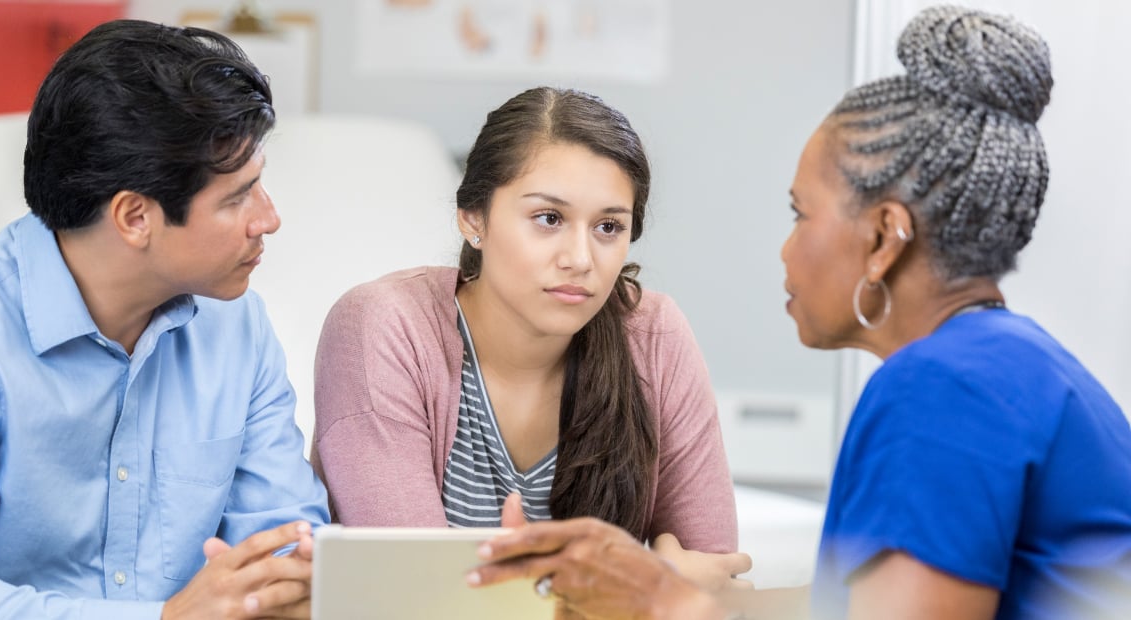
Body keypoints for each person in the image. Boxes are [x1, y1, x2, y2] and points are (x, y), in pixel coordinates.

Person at [467, 6, 1131, 619]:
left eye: (800, 214)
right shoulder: (1010, 365)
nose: (785, 248)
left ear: (882, 238)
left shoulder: (940, 388)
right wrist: (717, 597)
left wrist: (663, 603)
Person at [0, 20, 330, 619]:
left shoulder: (237, 325)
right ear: (135, 217)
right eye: (236, 197)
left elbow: (288, 544)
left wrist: (296, 582)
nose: (267, 219)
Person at [312, 86, 746, 593]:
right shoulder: (384, 326)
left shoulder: (654, 336)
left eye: (608, 226)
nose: (580, 259)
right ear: (474, 217)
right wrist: (637, 588)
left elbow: (717, 588)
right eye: (549, 219)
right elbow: (415, 595)